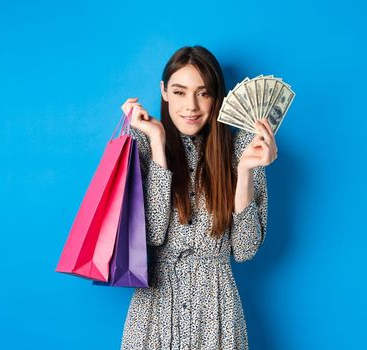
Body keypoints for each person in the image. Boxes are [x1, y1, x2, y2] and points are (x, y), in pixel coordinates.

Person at [118, 45, 277, 349]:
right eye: (179, 92)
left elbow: (244, 250)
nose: (191, 106)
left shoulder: (243, 147)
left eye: (203, 93)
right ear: (164, 92)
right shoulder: (141, 142)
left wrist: (244, 172)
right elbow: (150, 236)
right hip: (154, 308)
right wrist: (159, 145)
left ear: (217, 97)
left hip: (217, 310)